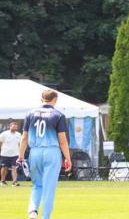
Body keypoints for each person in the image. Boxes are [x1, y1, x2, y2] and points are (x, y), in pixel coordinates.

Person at [18, 89, 72, 219]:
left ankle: (32, 211)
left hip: (34, 152)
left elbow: (24, 137)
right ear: (55, 100)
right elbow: (62, 140)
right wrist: (67, 158)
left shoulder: (30, 113)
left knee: (37, 184)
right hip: (51, 151)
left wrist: (21, 156)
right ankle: (45, 217)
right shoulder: (58, 115)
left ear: (41, 99)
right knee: (49, 187)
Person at [0, 122, 22, 186]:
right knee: (4, 167)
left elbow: (19, 144)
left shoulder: (19, 134)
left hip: (15, 154)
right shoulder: (4, 134)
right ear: (10, 126)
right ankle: (3, 181)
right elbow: (0, 142)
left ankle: (14, 182)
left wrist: (20, 153)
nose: (15, 127)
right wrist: (1, 150)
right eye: (13, 126)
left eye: (16, 126)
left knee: (14, 167)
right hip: (5, 154)